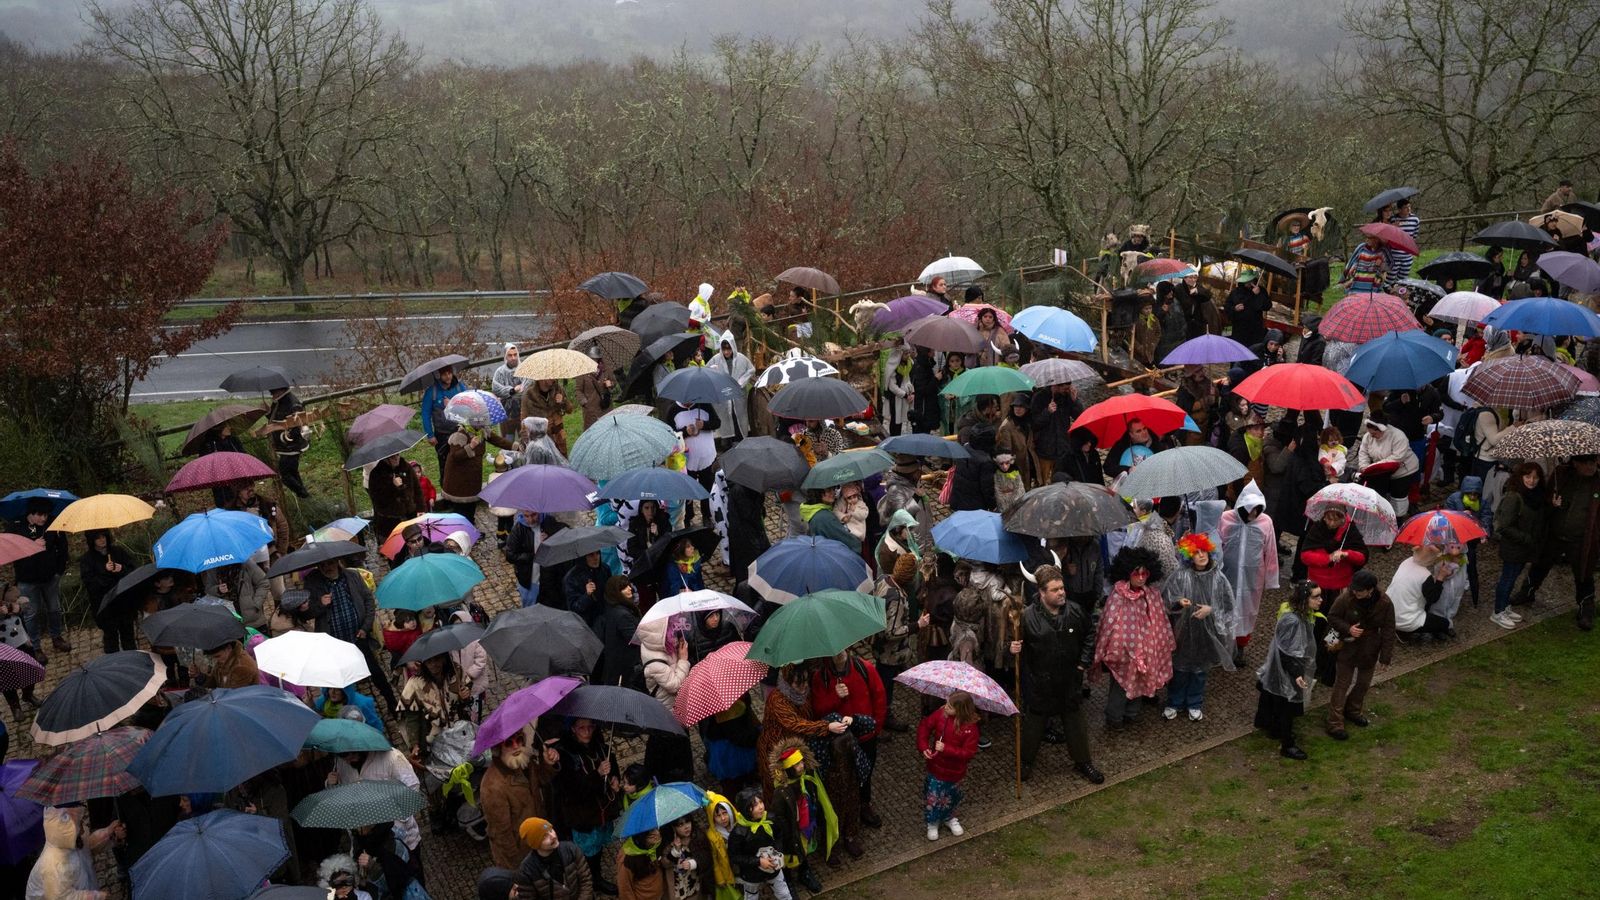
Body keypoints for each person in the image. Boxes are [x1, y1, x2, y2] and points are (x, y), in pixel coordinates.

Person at [1011, 562, 1103, 783]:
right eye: (1055, 589)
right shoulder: (1025, 617)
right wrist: (1011, 649)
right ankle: (1024, 763)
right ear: (1042, 592)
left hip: (1069, 680)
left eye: (1062, 587)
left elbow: (1090, 634)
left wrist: (1082, 663)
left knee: (1075, 724)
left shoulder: (1075, 611)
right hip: (1039, 683)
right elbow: (1013, 648)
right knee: (1033, 727)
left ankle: (1083, 762)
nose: (1062, 592)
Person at [1516, 454, 1600, 629]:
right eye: (1587, 463)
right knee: (1540, 565)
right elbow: (1544, 497)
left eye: (1594, 463)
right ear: (1576, 463)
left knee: (1584, 573)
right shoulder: (1560, 474)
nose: (1592, 467)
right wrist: (1551, 502)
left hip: (1581, 539)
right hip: (1554, 533)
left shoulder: (1597, 481)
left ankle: (1586, 608)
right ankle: (1527, 592)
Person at [1093, 547, 1174, 728]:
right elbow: (1108, 625)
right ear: (1126, 573)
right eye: (1136, 573)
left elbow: (1159, 619)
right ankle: (1114, 718)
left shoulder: (1151, 595)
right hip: (1122, 653)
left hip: (1145, 650)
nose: (1141, 577)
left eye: (1144, 573)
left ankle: (1132, 713)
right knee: (1121, 687)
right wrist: (1117, 649)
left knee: (1140, 682)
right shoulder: (1117, 596)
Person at [303, 557, 396, 713]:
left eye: (330, 563)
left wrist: (365, 628)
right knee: (336, 681)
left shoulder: (352, 576)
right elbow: (306, 614)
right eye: (322, 564)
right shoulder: (313, 583)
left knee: (375, 672)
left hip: (357, 637)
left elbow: (368, 601)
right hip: (333, 642)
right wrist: (320, 604)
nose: (327, 567)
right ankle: (338, 712)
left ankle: (392, 703)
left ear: (337, 561)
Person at [808, 649, 887, 831]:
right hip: (840, 741)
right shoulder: (821, 677)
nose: (839, 652)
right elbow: (819, 711)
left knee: (866, 773)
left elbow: (880, 698)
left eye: (843, 647)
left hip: (866, 736)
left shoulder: (864, 668)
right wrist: (835, 696)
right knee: (843, 778)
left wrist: (875, 729)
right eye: (834, 650)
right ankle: (844, 812)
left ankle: (864, 804)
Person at [1162, 534, 1237, 721]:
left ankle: (1194, 702)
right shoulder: (1180, 575)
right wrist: (1179, 602)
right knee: (1179, 668)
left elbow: (1228, 605)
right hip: (1183, 632)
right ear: (1189, 556)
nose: (1201, 556)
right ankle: (1174, 701)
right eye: (1196, 553)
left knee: (1200, 670)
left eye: (1204, 551)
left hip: (1207, 631)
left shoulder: (1218, 577)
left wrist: (1210, 610)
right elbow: (1166, 599)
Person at [1324, 569, 1396, 740]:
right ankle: (1334, 723)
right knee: (1342, 684)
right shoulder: (1345, 598)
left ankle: (1353, 710)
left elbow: (1388, 629)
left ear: (1370, 590)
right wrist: (1348, 628)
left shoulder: (1385, 602)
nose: (1355, 592)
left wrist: (1385, 657)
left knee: (1364, 683)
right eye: (1354, 589)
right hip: (1348, 645)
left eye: (1359, 590)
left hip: (1369, 648)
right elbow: (1332, 617)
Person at [1255, 581, 1322, 760]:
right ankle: (1287, 744)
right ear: (1304, 598)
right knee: (1286, 707)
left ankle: (1274, 729)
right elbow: (1285, 652)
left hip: (1287, 668)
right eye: (1316, 597)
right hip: (1286, 670)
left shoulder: (1300, 614)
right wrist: (1297, 674)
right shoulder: (1292, 620)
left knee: (1278, 703)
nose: (1320, 600)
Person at [555, 718, 620, 894]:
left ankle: (596, 878)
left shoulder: (598, 745)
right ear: (573, 729)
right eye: (581, 728)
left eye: (590, 727)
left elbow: (611, 766)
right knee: (586, 853)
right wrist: (596, 774)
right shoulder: (565, 755)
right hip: (583, 816)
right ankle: (587, 882)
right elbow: (573, 791)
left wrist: (614, 779)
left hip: (600, 812)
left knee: (597, 849)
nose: (587, 732)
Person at [1219, 481, 1281, 663]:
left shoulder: (1265, 522)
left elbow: (1271, 551)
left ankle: (1240, 648)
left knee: (1247, 612)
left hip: (1252, 578)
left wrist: (1271, 579)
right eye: (1250, 510)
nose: (1253, 514)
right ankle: (1222, 646)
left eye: (1257, 510)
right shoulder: (1225, 518)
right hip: (1227, 575)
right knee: (1224, 609)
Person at [765, 742, 835, 894]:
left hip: (806, 823)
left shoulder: (806, 780)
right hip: (790, 830)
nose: (802, 766)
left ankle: (805, 872)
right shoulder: (781, 792)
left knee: (804, 850)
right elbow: (779, 816)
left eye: (802, 762)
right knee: (790, 856)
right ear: (789, 769)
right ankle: (788, 880)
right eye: (797, 765)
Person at [916, 690, 980, 841]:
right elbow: (924, 727)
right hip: (936, 768)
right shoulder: (941, 716)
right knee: (933, 797)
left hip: (955, 772)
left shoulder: (971, 729)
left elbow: (968, 753)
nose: (945, 707)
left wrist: (946, 749)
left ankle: (949, 818)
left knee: (951, 796)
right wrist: (923, 746)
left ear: (960, 710)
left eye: (950, 706)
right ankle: (932, 822)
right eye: (947, 703)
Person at [26, 806, 123, 900]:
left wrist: (110, 833)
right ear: (67, 828)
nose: (83, 824)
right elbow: (62, 897)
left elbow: (88, 847)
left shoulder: (72, 839)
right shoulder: (52, 864)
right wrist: (97, 897)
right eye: (79, 822)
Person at [1491, 462, 1546, 629]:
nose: (1532, 481)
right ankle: (1498, 611)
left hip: (1524, 548)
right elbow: (1503, 526)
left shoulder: (1535, 495)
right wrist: (1525, 538)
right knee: (1507, 579)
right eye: (1528, 477)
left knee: (1513, 578)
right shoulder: (1513, 497)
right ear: (1520, 477)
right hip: (1514, 547)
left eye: (1536, 477)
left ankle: (1505, 606)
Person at [14, 498, 71, 653]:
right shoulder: (16, 526)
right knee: (30, 614)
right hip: (27, 580)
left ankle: (57, 637)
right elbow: (11, 550)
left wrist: (58, 571)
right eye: (39, 515)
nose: (43, 519)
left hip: (50, 577)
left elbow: (63, 548)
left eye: (46, 515)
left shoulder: (53, 524)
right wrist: (32, 546)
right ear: (30, 514)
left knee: (54, 609)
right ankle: (35, 647)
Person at [727, 787, 792, 900]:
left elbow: (779, 836)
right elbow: (734, 856)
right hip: (751, 874)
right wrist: (758, 861)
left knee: (784, 894)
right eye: (755, 805)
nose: (761, 807)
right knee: (751, 896)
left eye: (761, 802)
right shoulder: (738, 832)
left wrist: (777, 852)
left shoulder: (770, 819)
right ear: (746, 809)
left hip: (773, 867)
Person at [80, 530, 136, 654]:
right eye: (98, 538)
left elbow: (132, 571)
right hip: (105, 606)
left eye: (104, 536)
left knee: (128, 635)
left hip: (123, 602)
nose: (102, 540)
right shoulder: (87, 560)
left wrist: (121, 569)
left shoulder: (118, 552)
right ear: (92, 540)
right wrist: (105, 571)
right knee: (111, 638)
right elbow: (91, 584)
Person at [513, 817, 596, 900]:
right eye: (545, 836)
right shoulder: (526, 871)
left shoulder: (571, 849)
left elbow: (586, 880)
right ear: (535, 844)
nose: (553, 836)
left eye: (551, 830)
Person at [1388, 544, 1456, 640]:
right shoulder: (1425, 575)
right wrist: (1441, 577)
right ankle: (1403, 631)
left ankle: (1402, 629)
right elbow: (1433, 598)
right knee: (1445, 623)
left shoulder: (1407, 561)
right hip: (1406, 620)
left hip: (1389, 614)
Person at [1356, 415, 1420, 517]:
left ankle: (1398, 517)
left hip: (1404, 470)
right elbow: (1363, 453)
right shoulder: (1368, 436)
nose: (1371, 436)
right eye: (1370, 432)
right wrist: (1364, 467)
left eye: (1374, 433)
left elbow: (1397, 458)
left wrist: (1373, 467)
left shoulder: (1398, 436)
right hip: (1382, 470)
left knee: (1398, 495)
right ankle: (1382, 514)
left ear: (1382, 430)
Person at [1297, 505, 1368, 594]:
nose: (1332, 523)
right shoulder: (1317, 529)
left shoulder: (1350, 531)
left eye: (1336, 520)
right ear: (1324, 517)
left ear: (1343, 519)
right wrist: (1329, 558)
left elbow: (1362, 558)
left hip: (1341, 585)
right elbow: (1305, 556)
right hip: (1317, 584)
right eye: (1329, 519)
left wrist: (1346, 554)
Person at [369, 454, 424, 558]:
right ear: (385, 458)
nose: (396, 458)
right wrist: (392, 487)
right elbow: (378, 501)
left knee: (416, 547)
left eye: (398, 455)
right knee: (396, 555)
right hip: (390, 522)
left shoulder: (406, 468)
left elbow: (417, 489)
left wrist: (421, 508)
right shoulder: (376, 474)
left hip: (409, 518)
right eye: (393, 457)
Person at [708, 332, 754, 447]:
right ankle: (727, 439)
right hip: (723, 395)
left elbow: (751, 370)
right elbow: (707, 371)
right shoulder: (715, 360)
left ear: (733, 347)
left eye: (729, 349)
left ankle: (740, 438)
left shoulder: (742, 359)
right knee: (725, 416)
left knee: (738, 415)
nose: (726, 352)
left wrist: (740, 382)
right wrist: (713, 372)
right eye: (724, 350)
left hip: (738, 395)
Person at [595, 577, 643, 687]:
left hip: (616, 668)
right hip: (623, 670)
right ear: (616, 592)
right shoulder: (623, 614)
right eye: (624, 587)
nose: (629, 588)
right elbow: (635, 639)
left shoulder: (614, 610)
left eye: (629, 585)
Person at [266, 385, 311, 497]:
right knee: (292, 472)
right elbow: (274, 418)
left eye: (274, 393)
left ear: (280, 391)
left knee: (285, 474)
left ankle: (303, 494)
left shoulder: (292, 403)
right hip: (286, 446)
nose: (272, 396)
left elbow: (297, 424)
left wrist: (286, 438)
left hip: (291, 446)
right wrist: (267, 412)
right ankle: (303, 495)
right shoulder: (279, 401)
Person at [948, 423, 998, 511]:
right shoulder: (985, 461)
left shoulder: (964, 448)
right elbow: (987, 488)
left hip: (959, 498)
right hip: (975, 504)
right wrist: (993, 505)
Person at [799, 487, 860, 553]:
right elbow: (850, 543)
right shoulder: (825, 517)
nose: (833, 492)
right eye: (828, 490)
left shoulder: (812, 511)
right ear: (818, 493)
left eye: (833, 489)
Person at [521, 379, 572, 455]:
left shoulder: (557, 389)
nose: (554, 378)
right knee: (545, 463)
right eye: (550, 376)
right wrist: (525, 441)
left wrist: (562, 402)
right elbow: (523, 420)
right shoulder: (529, 395)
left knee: (562, 463)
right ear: (542, 378)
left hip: (559, 438)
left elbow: (570, 410)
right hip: (540, 440)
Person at [615, 826, 667, 900]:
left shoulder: (655, 844)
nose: (658, 833)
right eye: (651, 833)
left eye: (656, 828)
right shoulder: (628, 859)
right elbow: (625, 889)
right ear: (641, 836)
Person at [1225, 269, 1271, 348]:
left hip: (1255, 330)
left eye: (1250, 281)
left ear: (1253, 280)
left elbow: (1267, 306)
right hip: (1238, 329)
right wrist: (1234, 309)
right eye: (1246, 281)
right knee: (1237, 350)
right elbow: (1227, 306)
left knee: (1252, 352)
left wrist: (1259, 295)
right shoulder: (1236, 292)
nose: (1248, 283)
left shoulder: (1261, 290)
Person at [576, 345, 615, 430]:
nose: (593, 360)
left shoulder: (606, 368)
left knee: (609, 430)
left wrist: (610, 384)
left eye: (595, 358)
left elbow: (614, 383)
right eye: (591, 358)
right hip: (591, 411)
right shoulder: (582, 371)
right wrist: (585, 403)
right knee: (594, 432)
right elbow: (578, 390)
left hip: (606, 406)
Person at [490, 343, 525, 438]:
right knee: (508, 443)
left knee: (523, 441)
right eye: (510, 355)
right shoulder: (500, 372)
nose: (513, 358)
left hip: (523, 413)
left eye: (515, 354)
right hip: (506, 415)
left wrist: (518, 391)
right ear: (506, 356)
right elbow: (496, 388)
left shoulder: (524, 369)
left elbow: (528, 386)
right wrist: (512, 390)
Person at [882, 347, 914, 437]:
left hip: (904, 395)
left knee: (901, 419)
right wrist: (905, 395)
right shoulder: (892, 366)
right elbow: (892, 386)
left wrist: (912, 392)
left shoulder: (908, 364)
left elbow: (908, 380)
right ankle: (894, 438)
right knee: (895, 420)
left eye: (909, 353)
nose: (908, 356)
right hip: (895, 397)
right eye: (906, 354)